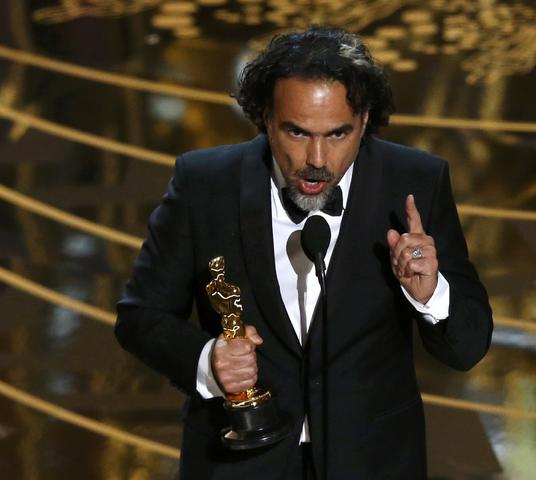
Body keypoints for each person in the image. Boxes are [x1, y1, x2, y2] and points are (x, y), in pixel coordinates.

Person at [115, 26, 492, 480]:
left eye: (337, 134)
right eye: (297, 132)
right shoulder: (204, 185)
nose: (317, 159)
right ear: (265, 119)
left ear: (365, 120)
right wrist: (208, 361)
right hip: (240, 463)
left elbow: (468, 347)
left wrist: (431, 294)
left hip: (373, 463)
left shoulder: (413, 183)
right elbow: (141, 317)